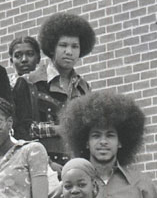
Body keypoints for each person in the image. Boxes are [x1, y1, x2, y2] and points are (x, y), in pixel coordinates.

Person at [13, 12, 96, 166]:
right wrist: (59, 130)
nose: (69, 51)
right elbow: (20, 130)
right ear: (52, 47)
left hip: (78, 168)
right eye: (63, 45)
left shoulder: (83, 88)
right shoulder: (28, 83)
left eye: (75, 46)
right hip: (40, 168)